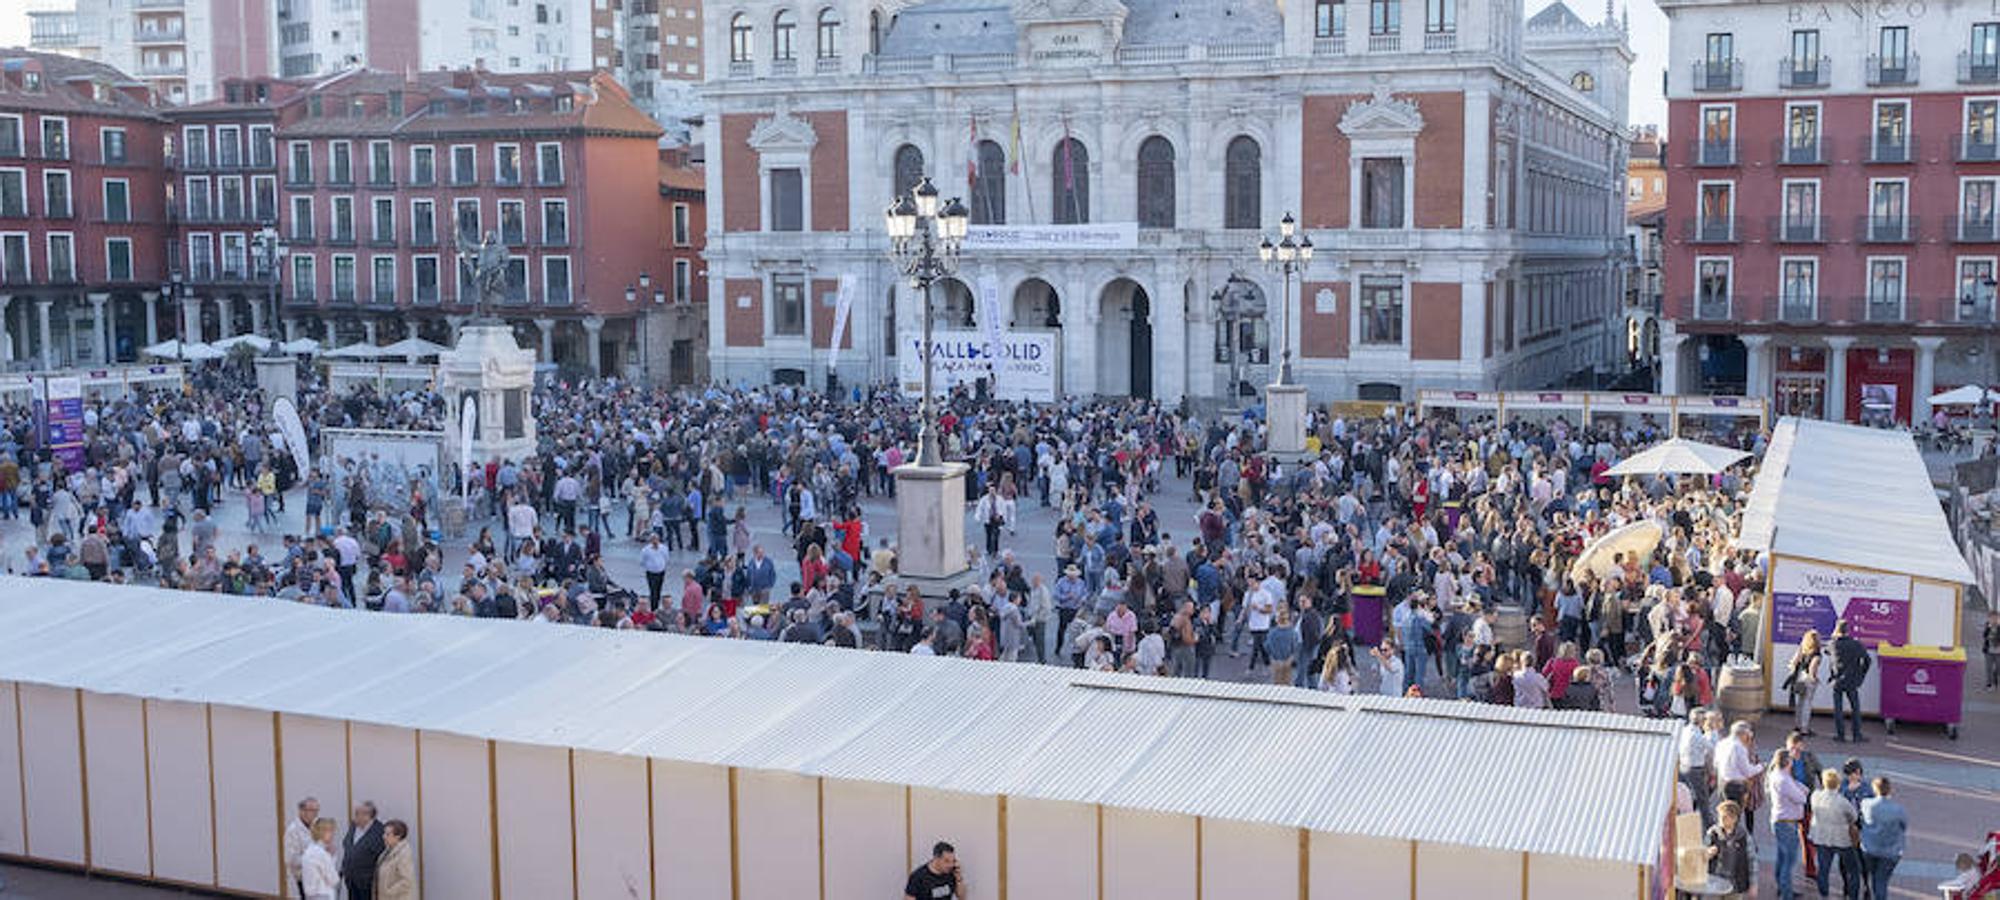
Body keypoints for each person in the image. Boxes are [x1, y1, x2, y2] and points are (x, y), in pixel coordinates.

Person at [1809, 768, 1861, 900]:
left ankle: (1824, 895)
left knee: (1823, 869)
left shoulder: (1815, 796)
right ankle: (1853, 896)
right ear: (1837, 783)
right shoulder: (1842, 801)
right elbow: (1854, 817)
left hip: (1822, 837)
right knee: (1853, 870)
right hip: (1842, 839)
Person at [1767, 747, 1811, 900]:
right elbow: (1802, 798)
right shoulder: (1784, 780)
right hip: (1787, 823)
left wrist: (1801, 789)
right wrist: (1802, 791)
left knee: (1781, 856)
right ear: (1787, 762)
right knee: (1789, 860)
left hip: (1780, 821)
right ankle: (1786, 894)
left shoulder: (1778, 775)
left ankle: (1782, 887)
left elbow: (1800, 787)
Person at [1858, 777, 1906, 900]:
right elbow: (1904, 826)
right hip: (1891, 851)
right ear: (1889, 790)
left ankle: (1873, 891)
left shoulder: (1866, 804)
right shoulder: (1898, 809)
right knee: (1882, 880)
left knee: (1875, 877)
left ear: (1875, 789)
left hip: (1869, 848)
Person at [1827, 621, 1870, 743]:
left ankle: (1841, 736)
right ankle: (1857, 735)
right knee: (1855, 708)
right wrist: (1860, 676)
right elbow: (1867, 661)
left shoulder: (1832, 644)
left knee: (1838, 709)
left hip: (1837, 681)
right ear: (1848, 630)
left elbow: (1830, 657)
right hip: (1852, 681)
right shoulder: (1856, 644)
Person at [1706, 799, 1753, 899]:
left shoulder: (1743, 836)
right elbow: (1701, 853)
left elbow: (1752, 861)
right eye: (1720, 817)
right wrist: (1707, 853)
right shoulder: (1713, 833)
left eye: (1724, 817)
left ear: (1734, 819)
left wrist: (1753, 884)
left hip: (1735, 884)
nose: (1720, 820)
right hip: (1715, 883)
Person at [343, 801, 387, 900]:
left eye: (357, 813)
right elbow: (347, 846)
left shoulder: (379, 831)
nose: (355, 816)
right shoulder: (353, 827)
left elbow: (380, 856)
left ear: (368, 815)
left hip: (367, 883)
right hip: (351, 881)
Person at [1786, 630, 1824, 735]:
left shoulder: (1802, 649)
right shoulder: (1817, 654)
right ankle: (1804, 728)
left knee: (1800, 703)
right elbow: (1813, 667)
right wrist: (1814, 679)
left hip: (1800, 677)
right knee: (1807, 704)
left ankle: (1797, 726)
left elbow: (1793, 662)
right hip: (1808, 679)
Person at [284, 796, 322, 899]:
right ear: (302, 811)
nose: (315, 814)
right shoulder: (293, 831)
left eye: (317, 810)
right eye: (312, 810)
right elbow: (291, 859)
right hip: (301, 880)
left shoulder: (317, 827)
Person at [374, 819, 418, 900]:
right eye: (384, 833)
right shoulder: (386, 852)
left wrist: (388, 892)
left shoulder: (404, 854)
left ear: (398, 836)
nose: (383, 837)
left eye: (387, 834)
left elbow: (406, 882)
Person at [302, 817, 341, 900]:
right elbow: (334, 879)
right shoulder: (321, 854)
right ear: (322, 832)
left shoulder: (309, 850)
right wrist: (333, 858)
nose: (333, 834)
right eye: (330, 831)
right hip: (323, 895)